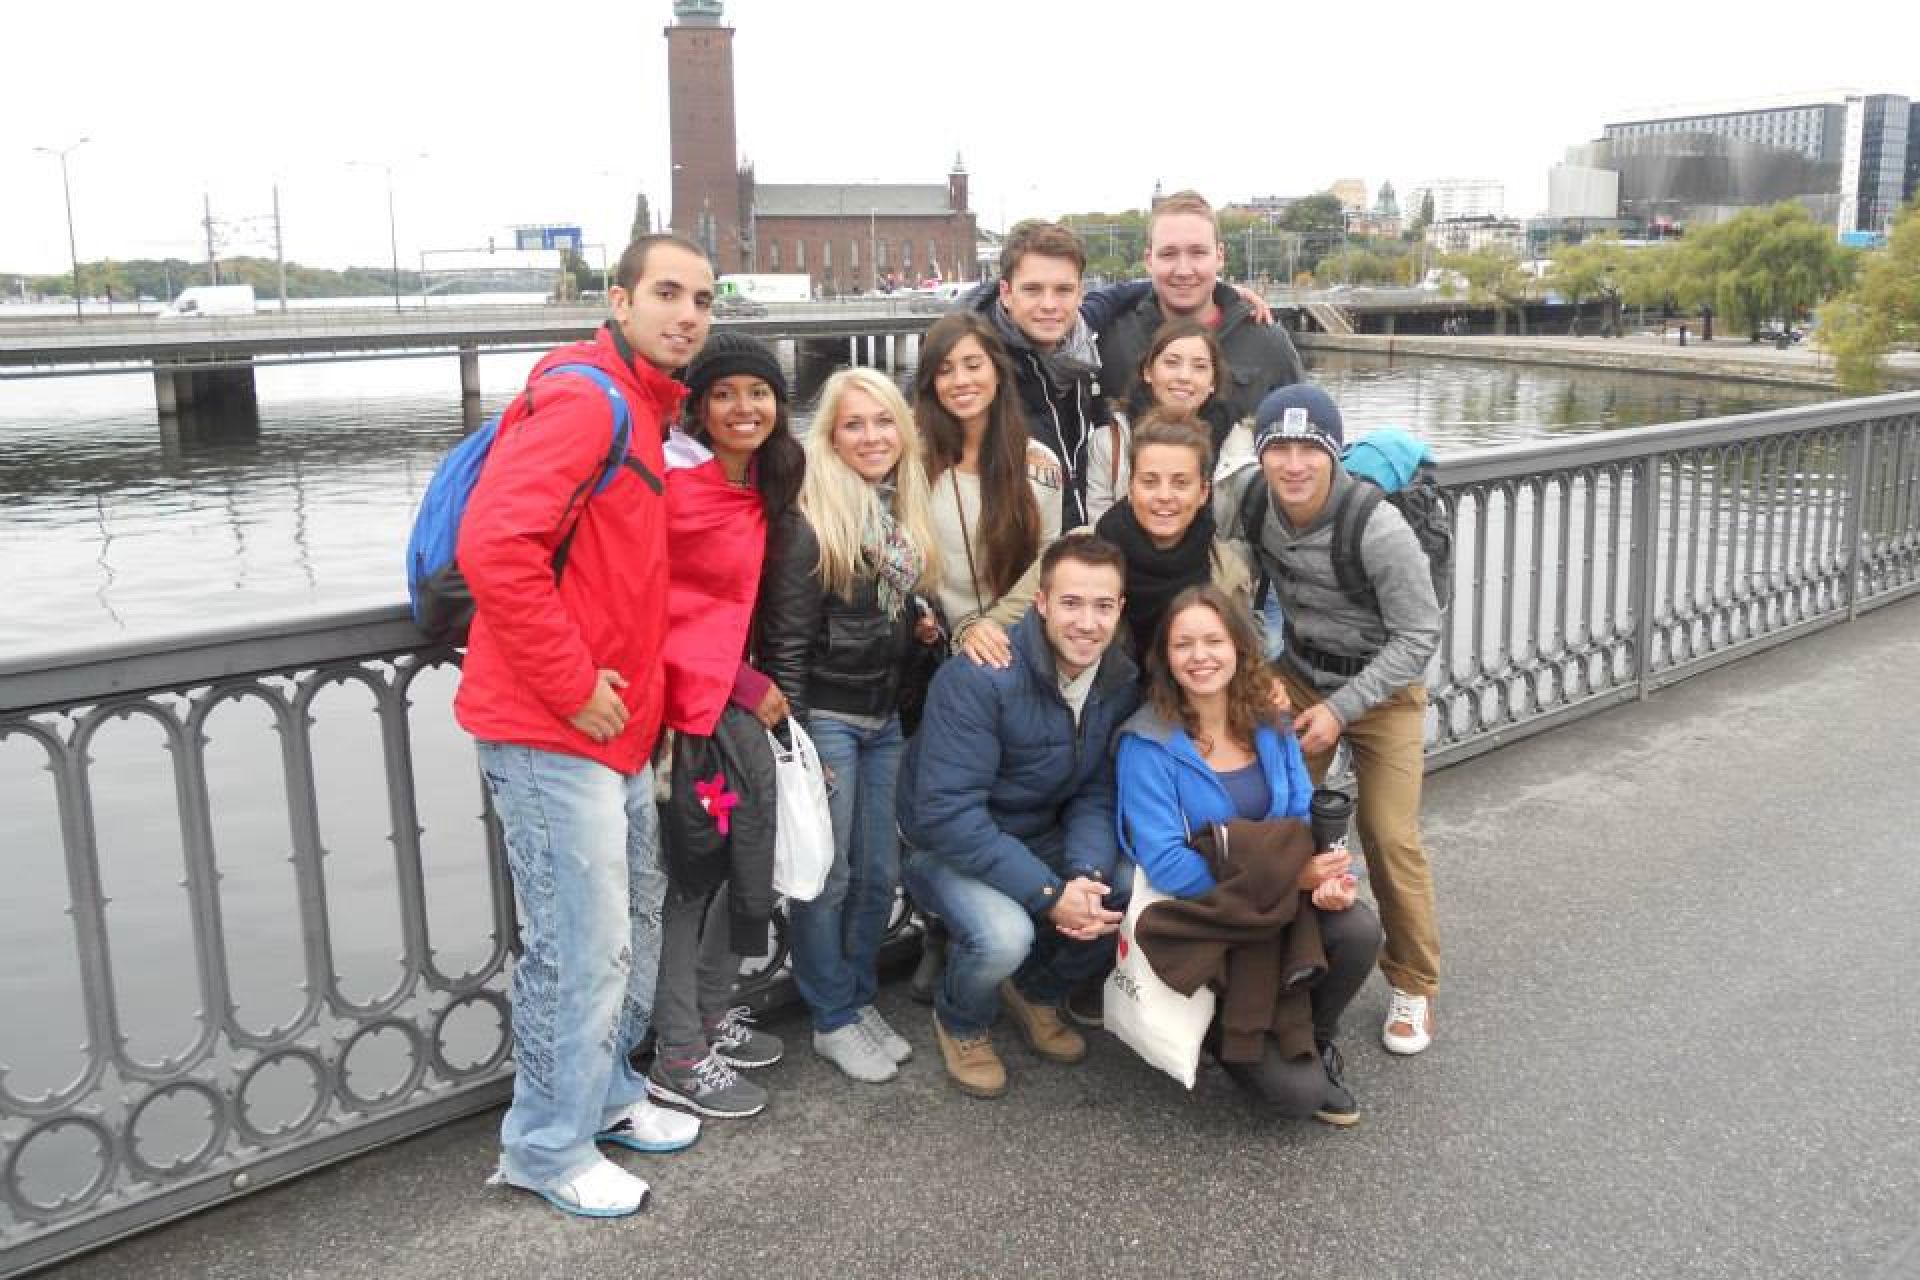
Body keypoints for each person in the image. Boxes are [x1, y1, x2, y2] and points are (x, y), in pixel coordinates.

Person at [456, 234, 709, 1218]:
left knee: (624, 924)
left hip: (612, 730)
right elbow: (495, 546)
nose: (687, 314)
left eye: (703, 299)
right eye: (668, 293)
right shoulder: (588, 401)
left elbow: (615, 578)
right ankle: (545, 1146)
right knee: (577, 942)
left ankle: (602, 1098)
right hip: (552, 728)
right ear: (620, 299)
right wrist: (571, 686)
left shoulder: (639, 404)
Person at [1218, 383, 1443, 1055]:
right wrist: (1255, 668)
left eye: (1309, 450)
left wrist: (1341, 712)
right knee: (1267, 813)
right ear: (1261, 454)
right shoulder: (1251, 500)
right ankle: (1274, 953)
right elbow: (1224, 584)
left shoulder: (1377, 528)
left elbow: (1419, 635)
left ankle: (1413, 982)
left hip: (1382, 690)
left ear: (1334, 453)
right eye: (1278, 449)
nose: (1293, 465)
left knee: (1388, 835)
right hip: (1298, 672)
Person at [1114, 586, 1380, 1124]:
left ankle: (1312, 1035)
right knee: (1298, 1099)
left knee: (1357, 929)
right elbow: (1167, 863)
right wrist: (1289, 879)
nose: (1200, 656)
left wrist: (1328, 878)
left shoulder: (1270, 722)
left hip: (1273, 901)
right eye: (1183, 644)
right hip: (1208, 915)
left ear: (1239, 646)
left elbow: (1300, 813)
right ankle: (1219, 1027)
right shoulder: (1147, 744)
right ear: (1166, 657)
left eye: (1213, 641)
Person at [895, 534, 1141, 1098]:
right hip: (944, 845)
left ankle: (1034, 992)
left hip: (1033, 831)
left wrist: (1084, 876)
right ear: (1042, 603)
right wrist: (1050, 894)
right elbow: (948, 814)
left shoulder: (1117, 679)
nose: (1087, 623)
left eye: (1103, 606)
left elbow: (1097, 791)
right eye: (1071, 603)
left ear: (1120, 609)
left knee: (1120, 891)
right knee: (1004, 935)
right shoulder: (980, 675)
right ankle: (961, 1021)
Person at [757, 367, 944, 1084]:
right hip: (829, 718)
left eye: (884, 421)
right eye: (854, 424)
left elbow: (881, 622)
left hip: (882, 717)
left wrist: (919, 636)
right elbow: (786, 646)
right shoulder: (810, 521)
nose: (872, 437)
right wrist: (802, 745)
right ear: (831, 437)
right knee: (827, 877)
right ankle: (832, 1016)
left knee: (877, 873)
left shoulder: (895, 516)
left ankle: (858, 998)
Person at [647, 332, 802, 1121]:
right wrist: (741, 680)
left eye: (759, 392)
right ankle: (676, 1052)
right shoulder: (678, 486)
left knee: (734, 865)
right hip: (682, 721)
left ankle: (706, 1016)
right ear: (698, 408)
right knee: (691, 879)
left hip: (721, 713)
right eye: (724, 394)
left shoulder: (758, 484)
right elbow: (650, 606)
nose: (745, 407)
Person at [955, 418, 1251, 671]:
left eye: (1180, 483)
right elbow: (998, 622)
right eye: (1149, 481)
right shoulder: (1077, 549)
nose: (1164, 496)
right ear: (1130, 487)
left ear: (1203, 493)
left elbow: (1244, 663)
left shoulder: (1226, 573)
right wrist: (978, 633)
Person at [1093, 190, 1304, 427]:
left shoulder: (1269, 345)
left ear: (1220, 256)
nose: (1184, 270)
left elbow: (1302, 436)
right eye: (1169, 254)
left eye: (1198, 253)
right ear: (1149, 260)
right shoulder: (1114, 342)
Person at [915, 311, 1063, 636]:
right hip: (936, 643)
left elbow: (1047, 566)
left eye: (973, 365)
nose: (961, 381)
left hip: (1013, 638)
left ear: (997, 371)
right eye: (945, 370)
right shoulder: (912, 463)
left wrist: (991, 629)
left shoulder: (1040, 466)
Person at [968, 220, 1114, 530]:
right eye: (1033, 290)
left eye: (1063, 290)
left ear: (1080, 294)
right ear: (1006, 293)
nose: (1049, 305)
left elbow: (1117, 298)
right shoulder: (974, 370)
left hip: (1075, 545)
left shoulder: (1079, 356)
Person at [1085, 317, 1253, 524]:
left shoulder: (1239, 446)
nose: (1184, 376)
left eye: (1199, 367)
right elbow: (1099, 527)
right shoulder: (1111, 442)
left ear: (1213, 381)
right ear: (1148, 371)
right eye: (1171, 363)